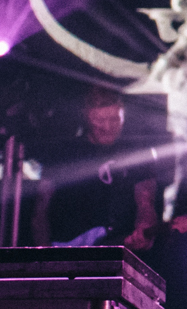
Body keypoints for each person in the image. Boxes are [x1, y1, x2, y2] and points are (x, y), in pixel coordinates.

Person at [32, 87, 159, 249]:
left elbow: (146, 202)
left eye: (114, 119)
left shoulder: (137, 152)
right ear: (87, 116)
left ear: (123, 115)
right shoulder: (63, 152)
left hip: (113, 246)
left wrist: (144, 229)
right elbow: (40, 210)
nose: (107, 127)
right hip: (65, 247)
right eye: (99, 120)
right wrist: (44, 252)